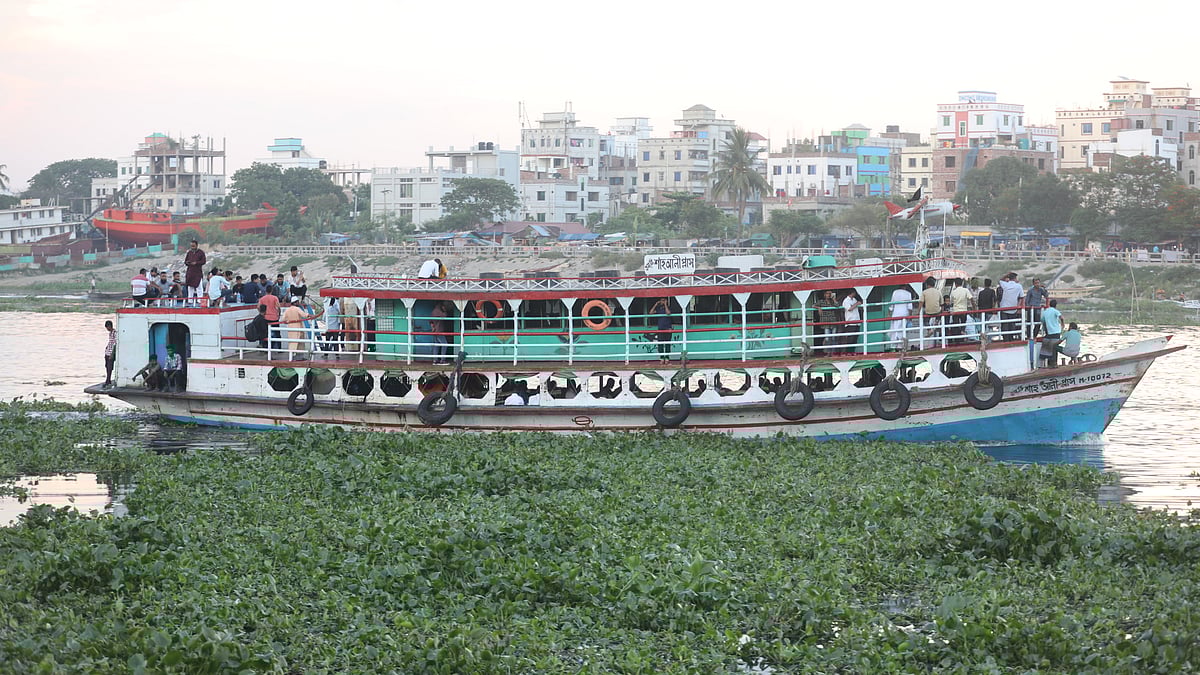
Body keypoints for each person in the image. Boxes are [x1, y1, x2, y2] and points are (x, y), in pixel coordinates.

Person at [998, 273, 1024, 341]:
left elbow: (1000, 280)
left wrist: (1006, 275)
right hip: (1013, 308)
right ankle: (1011, 338)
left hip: (1004, 308)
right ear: (1015, 278)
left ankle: (1005, 340)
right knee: (1012, 325)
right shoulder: (1019, 286)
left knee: (1005, 325)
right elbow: (1021, 297)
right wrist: (1018, 306)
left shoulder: (1005, 284)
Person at [1039, 299, 1064, 367]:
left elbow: (1043, 321)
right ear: (1056, 305)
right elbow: (1061, 317)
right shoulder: (1055, 311)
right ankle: (1054, 363)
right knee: (1055, 347)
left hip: (1049, 332)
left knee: (1047, 347)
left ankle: (1046, 364)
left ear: (1049, 304)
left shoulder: (1045, 312)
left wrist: (1045, 329)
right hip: (1056, 332)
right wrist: (1062, 324)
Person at [920, 277, 943, 341]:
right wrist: (942, 312)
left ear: (927, 285)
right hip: (937, 311)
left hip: (928, 312)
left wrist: (918, 311)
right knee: (940, 311)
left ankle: (929, 330)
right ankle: (937, 321)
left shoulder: (924, 292)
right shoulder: (938, 292)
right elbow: (942, 304)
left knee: (925, 319)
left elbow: (921, 302)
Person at [651, 298, 673, 362]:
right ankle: (661, 357)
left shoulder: (669, 307)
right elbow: (651, 312)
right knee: (660, 343)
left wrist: (666, 304)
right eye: (661, 300)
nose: (662, 302)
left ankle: (667, 357)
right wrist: (655, 304)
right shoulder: (659, 308)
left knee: (667, 343)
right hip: (660, 328)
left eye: (664, 300)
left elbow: (668, 313)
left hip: (668, 328)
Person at [103, 320, 117, 388]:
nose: (107, 329)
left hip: (111, 352)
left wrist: (112, 354)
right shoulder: (110, 333)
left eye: (107, 327)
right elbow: (110, 342)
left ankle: (108, 380)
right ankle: (108, 379)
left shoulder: (115, 333)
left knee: (109, 367)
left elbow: (115, 344)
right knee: (106, 366)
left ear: (109, 326)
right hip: (108, 351)